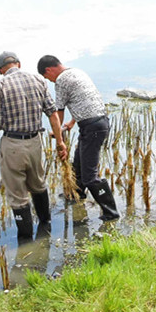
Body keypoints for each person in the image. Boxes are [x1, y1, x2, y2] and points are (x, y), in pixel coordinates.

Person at [0, 51, 67, 240]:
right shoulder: (39, 81)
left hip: (13, 146)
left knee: (17, 195)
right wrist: (60, 142)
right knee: (38, 184)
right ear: (18, 63)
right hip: (35, 142)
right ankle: (45, 226)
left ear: (1, 69)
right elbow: (52, 114)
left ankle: (25, 241)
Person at [37, 55, 119, 222]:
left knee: (90, 176)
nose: (50, 81)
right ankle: (76, 195)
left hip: (92, 127)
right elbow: (84, 100)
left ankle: (111, 213)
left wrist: (58, 134)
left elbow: (58, 111)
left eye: (47, 78)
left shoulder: (61, 80)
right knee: (78, 166)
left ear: (49, 70)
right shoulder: (77, 72)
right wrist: (72, 122)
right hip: (98, 122)